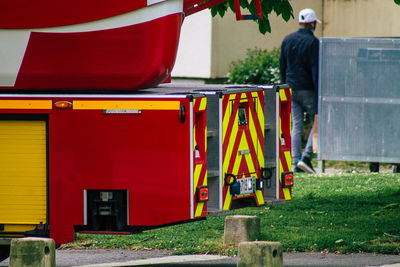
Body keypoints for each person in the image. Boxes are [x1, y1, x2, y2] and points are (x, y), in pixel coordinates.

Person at [279, 8, 320, 174]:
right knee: (318, 121)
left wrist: (284, 87)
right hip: (308, 89)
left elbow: (282, 65)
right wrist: (318, 92)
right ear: (311, 23)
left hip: (291, 88)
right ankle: (306, 157)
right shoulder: (313, 42)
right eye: (314, 23)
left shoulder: (287, 39)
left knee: (296, 125)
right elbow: (315, 69)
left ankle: (295, 162)